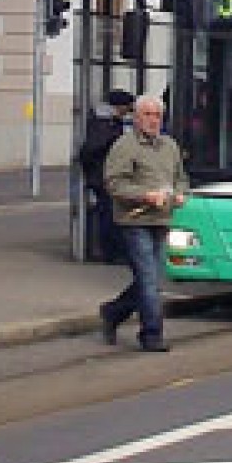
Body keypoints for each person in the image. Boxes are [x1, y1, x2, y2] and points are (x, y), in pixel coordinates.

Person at [97, 93, 188, 352]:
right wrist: (144, 195)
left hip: (162, 218)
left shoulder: (169, 146)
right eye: (147, 115)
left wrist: (181, 194)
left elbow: (181, 177)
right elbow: (114, 183)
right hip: (134, 219)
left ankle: (113, 312)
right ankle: (151, 334)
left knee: (151, 279)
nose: (153, 120)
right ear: (136, 118)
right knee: (148, 279)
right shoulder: (124, 146)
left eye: (157, 115)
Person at [77, 87, 135, 263]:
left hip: (105, 176)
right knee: (109, 216)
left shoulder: (107, 121)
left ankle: (114, 251)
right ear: (119, 106)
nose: (128, 112)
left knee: (111, 214)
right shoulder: (104, 123)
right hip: (104, 177)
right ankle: (111, 252)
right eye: (127, 107)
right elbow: (91, 149)